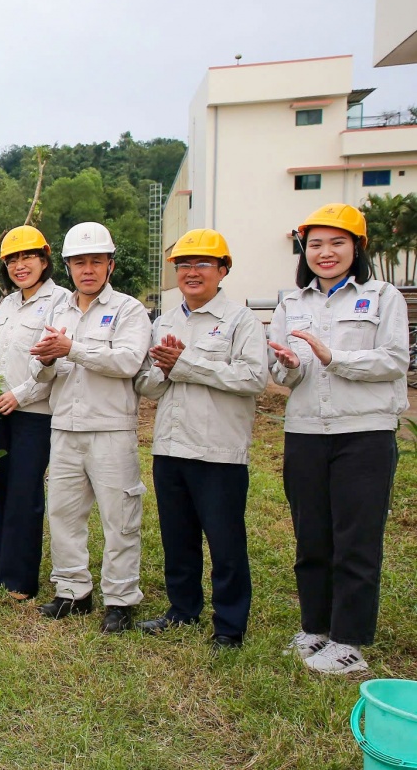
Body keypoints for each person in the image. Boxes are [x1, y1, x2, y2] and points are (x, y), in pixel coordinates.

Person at [268, 203, 405, 674]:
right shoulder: (291, 303)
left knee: (356, 540)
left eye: (337, 243)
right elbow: (283, 373)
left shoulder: (382, 296)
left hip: (364, 433)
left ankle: (348, 641)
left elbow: (394, 361)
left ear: (358, 248)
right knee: (311, 537)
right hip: (306, 432)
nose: (325, 253)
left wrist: (333, 358)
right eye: (316, 244)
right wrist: (289, 366)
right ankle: (315, 628)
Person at [134, 229, 266, 650]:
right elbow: (146, 385)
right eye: (184, 265)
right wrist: (163, 369)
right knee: (178, 538)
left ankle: (229, 625)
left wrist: (185, 363)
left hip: (218, 451)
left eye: (203, 264)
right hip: (170, 447)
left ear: (223, 270)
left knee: (225, 543)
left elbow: (253, 378)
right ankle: (182, 609)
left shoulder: (240, 321)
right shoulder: (164, 322)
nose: (192, 272)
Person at [29, 221, 150, 634]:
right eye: (80, 262)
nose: (88, 270)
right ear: (68, 267)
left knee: (120, 519)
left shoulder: (129, 310)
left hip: (110, 429)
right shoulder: (57, 311)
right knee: (63, 513)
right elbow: (40, 371)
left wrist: (72, 349)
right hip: (65, 426)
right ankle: (72, 591)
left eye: (96, 261)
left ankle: (120, 599)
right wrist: (47, 359)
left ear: (110, 265)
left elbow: (128, 361)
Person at [0, 225, 68, 600]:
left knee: (24, 493)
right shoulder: (6, 304)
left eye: (28, 257)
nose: (20, 265)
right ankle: (2, 568)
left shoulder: (60, 301)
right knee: (1, 489)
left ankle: (20, 581)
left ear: (44, 260)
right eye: (12, 260)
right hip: (0, 410)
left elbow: (52, 363)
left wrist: (18, 396)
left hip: (35, 413)